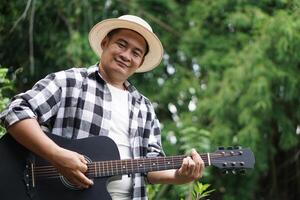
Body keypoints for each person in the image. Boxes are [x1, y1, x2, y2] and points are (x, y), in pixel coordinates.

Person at [0, 15, 204, 199]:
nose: (126, 55)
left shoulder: (145, 107)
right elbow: (16, 112)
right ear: (105, 43)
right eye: (121, 45)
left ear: (140, 62)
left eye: (136, 52)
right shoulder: (69, 81)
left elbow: (150, 165)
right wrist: (56, 155)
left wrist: (179, 175)